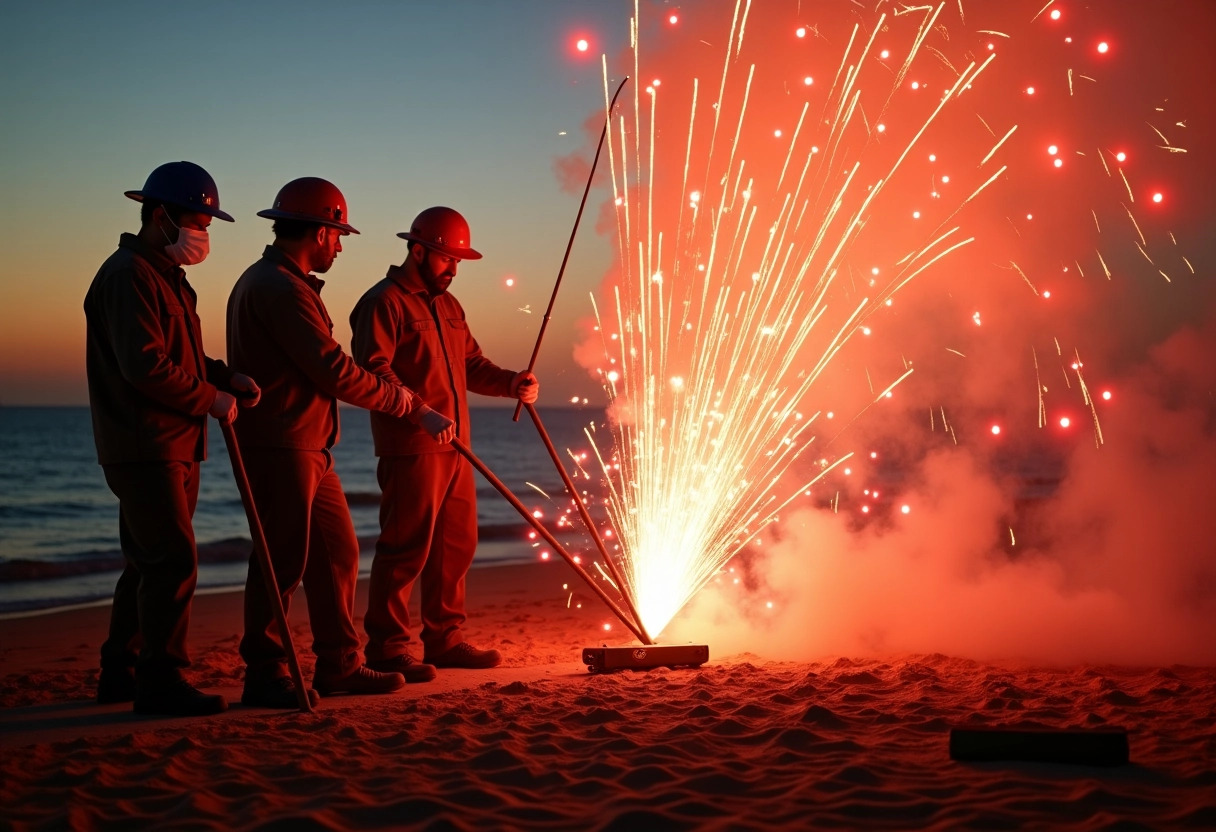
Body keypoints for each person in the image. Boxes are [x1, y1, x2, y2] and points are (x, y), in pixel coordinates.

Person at [226, 178, 450, 709]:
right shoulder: (279, 288)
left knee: (338, 551)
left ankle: (340, 663)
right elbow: (333, 370)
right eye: (338, 233)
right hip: (283, 443)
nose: (342, 245)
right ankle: (265, 670)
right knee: (281, 559)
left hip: (309, 443)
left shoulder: (287, 284)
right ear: (320, 231)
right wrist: (407, 404)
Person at [85, 161, 260, 716]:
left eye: (207, 223)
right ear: (160, 216)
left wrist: (223, 375)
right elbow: (145, 367)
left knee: (147, 560)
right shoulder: (127, 275)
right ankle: (159, 681)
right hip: (146, 444)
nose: (203, 234)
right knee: (172, 561)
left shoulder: (166, 277)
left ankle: (122, 672)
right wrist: (211, 400)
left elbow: (178, 356)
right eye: (197, 221)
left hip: (173, 443)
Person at [350, 206, 539, 681]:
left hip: (457, 447)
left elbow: (473, 365)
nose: (453, 269)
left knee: (456, 544)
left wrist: (513, 381)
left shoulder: (451, 307)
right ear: (417, 250)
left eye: (458, 262)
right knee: (405, 547)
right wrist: (419, 411)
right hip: (411, 446)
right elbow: (374, 371)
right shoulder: (383, 302)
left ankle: (445, 640)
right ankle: (388, 648)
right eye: (446, 259)